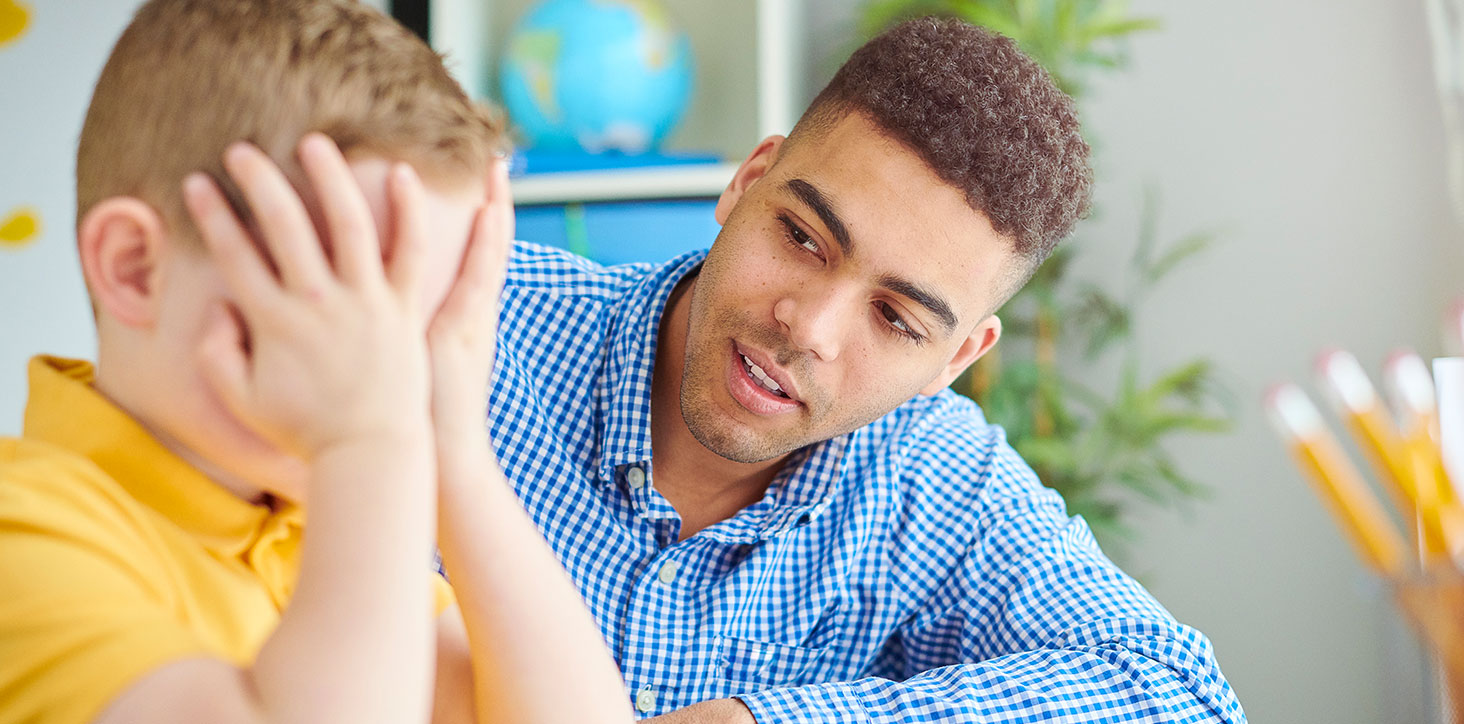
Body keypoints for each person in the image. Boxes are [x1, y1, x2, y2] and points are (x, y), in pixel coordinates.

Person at [479, 16, 1246, 724]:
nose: (808, 328)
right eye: (803, 238)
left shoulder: (935, 477)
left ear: (954, 360)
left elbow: (1182, 698)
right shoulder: (467, 320)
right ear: (749, 180)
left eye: (893, 318)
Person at [0, 2, 635, 724]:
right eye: (349, 303)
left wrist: (458, 454)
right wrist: (367, 445)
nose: (394, 371)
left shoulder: (311, 529)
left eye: (431, 321)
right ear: (136, 270)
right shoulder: (10, 543)